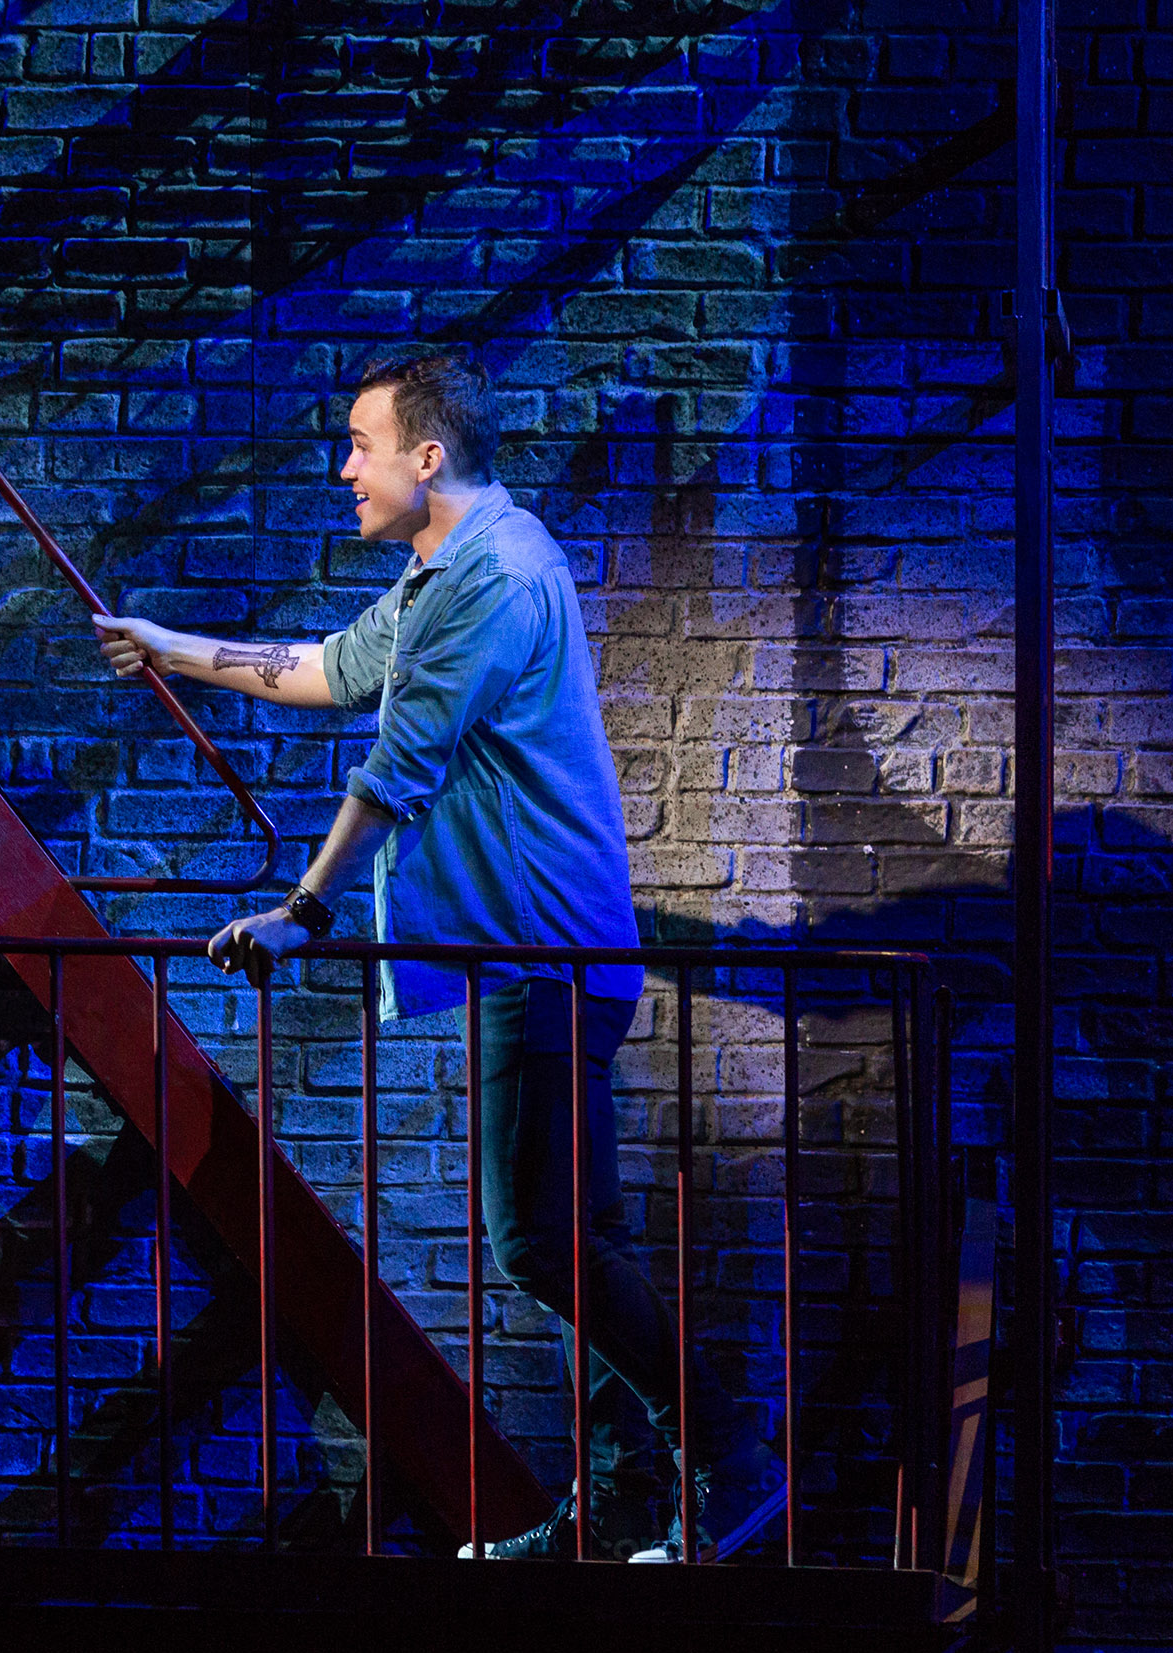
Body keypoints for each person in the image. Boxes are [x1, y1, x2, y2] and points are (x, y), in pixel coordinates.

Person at [93, 353, 777, 1563]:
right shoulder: (435, 581)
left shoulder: (491, 580)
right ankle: (624, 1500)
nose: (342, 466)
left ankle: (727, 1457)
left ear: (427, 456)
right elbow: (322, 668)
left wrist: (300, 911)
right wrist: (166, 644)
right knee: (578, 1240)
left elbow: (395, 766)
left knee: (541, 1243)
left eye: (360, 442)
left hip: (545, 952)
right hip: (536, 952)